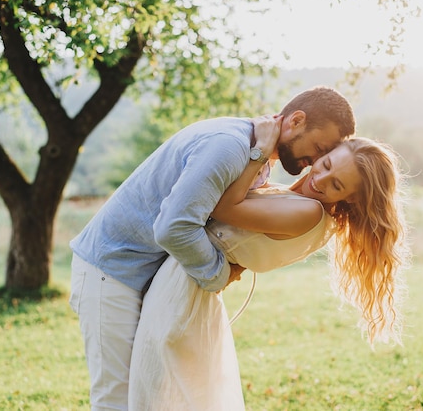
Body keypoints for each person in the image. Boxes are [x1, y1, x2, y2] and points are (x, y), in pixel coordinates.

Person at [68, 86, 356, 411]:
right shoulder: (229, 146)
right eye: (319, 149)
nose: (314, 163)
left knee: (144, 397)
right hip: (111, 272)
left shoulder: (256, 158)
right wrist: (219, 274)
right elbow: (173, 226)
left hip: (141, 276)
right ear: (297, 120)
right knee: (116, 401)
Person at [127, 132, 410, 410]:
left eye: (336, 185)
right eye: (325, 165)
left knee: (160, 395)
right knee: (164, 392)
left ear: (351, 199)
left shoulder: (309, 213)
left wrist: (260, 150)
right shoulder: (295, 200)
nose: (319, 180)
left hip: (183, 292)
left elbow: (220, 203)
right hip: (186, 284)